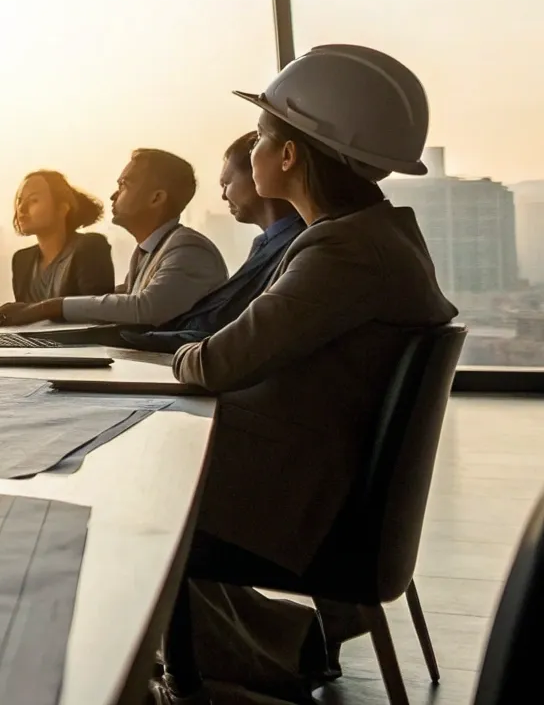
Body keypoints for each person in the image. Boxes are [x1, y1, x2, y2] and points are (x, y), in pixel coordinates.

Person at [153, 45, 456, 705]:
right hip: (316, 478)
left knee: (127, 503)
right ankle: (265, 652)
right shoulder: (376, 235)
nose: (253, 149)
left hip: (302, 503)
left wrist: (173, 355)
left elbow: (216, 362)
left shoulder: (342, 250)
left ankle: (185, 680)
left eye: (261, 136)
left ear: (289, 155)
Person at [0, 148, 226, 327]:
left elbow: (145, 308)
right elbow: (124, 298)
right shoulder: (150, 251)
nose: (114, 195)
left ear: (156, 198)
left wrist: (48, 307)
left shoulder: (188, 248)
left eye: (124, 185)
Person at [122, 132, 306, 350]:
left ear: (256, 173)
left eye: (226, 183)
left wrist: (133, 340)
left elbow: (234, 331)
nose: (223, 196)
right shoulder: (267, 244)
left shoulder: (299, 245)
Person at [6, 170, 116, 302]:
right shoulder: (22, 260)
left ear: (62, 208)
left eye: (34, 200)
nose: (21, 208)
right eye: (19, 200)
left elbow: (95, 308)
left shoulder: (90, 247)